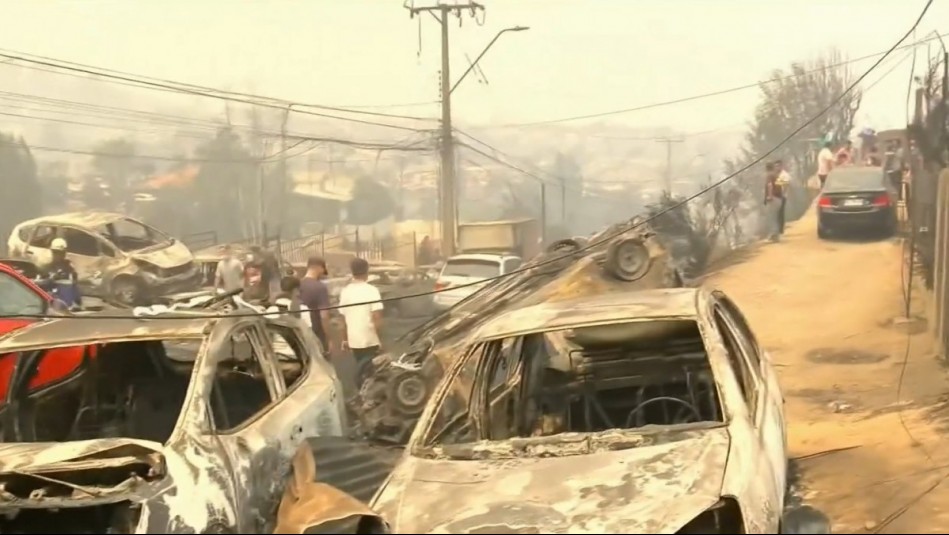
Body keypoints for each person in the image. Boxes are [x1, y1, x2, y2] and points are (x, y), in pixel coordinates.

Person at [338, 257, 383, 390]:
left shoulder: (345, 291)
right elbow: (377, 317)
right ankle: (369, 394)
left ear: (352, 272)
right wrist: (381, 340)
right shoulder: (372, 290)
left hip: (354, 339)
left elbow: (342, 319)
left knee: (361, 367)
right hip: (370, 339)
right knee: (373, 370)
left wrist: (344, 339)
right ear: (367, 271)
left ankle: (363, 391)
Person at [299, 256, 332, 352]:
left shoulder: (297, 284)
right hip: (317, 335)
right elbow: (324, 316)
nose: (322, 274)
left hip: (301, 333)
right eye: (322, 270)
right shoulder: (320, 287)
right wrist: (328, 338)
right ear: (319, 268)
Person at [43, 238, 82, 310]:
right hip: (51, 305)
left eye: (59, 253)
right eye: (55, 252)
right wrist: (51, 279)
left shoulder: (70, 269)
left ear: (64, 253)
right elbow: (41, 287)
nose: (57, 255)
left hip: (66, 305)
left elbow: (75, 288)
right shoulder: (46, 268)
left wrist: (76, 303)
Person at [763, 163, 782, 242]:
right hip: (779, 199)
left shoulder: (769, 175)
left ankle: (773, 236)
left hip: (773, 199)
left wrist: (770, 196)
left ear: (766, 169)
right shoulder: (776, 175)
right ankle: (775, 236)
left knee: (771, 218)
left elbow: (770, 185)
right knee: (775, 217)